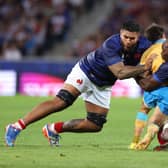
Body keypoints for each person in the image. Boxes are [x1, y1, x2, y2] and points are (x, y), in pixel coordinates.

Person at [5, 20, 151, 147]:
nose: (128, 41)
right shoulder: (111, 44)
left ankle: (53, 129)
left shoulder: (145, 45)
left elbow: (159, 47)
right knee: (62, 102)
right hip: (86, 72)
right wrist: (144, 68)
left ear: (138, 37)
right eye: (125, 37)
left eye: (132, 38)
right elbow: (120, 73)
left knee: (95, 124)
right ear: (120, 34)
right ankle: (16, 126)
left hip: (103, 84)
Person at [129, 23, 167, 150]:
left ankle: (135, 141)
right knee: (160, 118)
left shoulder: (147, 52)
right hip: (165, 88)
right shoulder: (166, 46)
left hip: (152, 86)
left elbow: (143, 72)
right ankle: (161, 136)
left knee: (143, 110)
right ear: (163, 35)